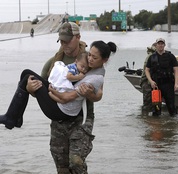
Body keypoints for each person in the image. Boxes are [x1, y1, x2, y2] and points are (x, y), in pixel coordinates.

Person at [29, 22, 117, 173]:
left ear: (78, 37)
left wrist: (90, 94)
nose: (64, 44)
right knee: (62, 166)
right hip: (59, 117)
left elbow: (99, 93)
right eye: (61, 40)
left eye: (67, 40)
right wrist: (29, 89)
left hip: (82, 118)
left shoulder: (90, 60)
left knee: (76, 162)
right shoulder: (54, 62)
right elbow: (40, 87)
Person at [145, 38, 178, 116]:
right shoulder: (152, 57)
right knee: (156, 108)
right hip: (156, 85)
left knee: (171, 107)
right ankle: (157, 125)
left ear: (164, 45)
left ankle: (172, 125)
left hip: (168, 84)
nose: (160, 45)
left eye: (162, 44)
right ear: (156, 45)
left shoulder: (170, 56)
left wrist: (176, 84)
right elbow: (147, 70)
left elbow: (176, 70)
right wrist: (151, 81)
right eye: (159, 44)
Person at [139, 43, 157, 112]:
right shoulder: (151, 56)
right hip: (147, 82)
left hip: (150, 82)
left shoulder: (153, 55)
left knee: (154, 104)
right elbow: (148, 71)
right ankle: (145, 118)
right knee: (147, 104)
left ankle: (149, 119)